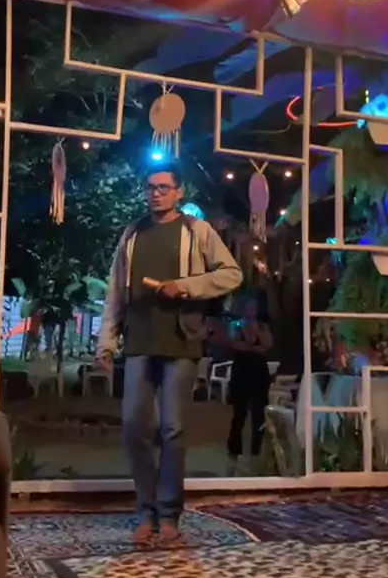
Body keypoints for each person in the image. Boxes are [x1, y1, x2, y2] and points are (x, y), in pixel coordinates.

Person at [97, 161, 242, 542]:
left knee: (173, 429)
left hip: (181, 340)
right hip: (139, 342)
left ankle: (169, 514)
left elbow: (231, 274)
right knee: (134, 426)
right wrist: (106, 341)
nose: (156, 193)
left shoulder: (197, 230)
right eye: (151, 187)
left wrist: (186, 286)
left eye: (163, 187)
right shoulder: (133, 233)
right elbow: (116, 292)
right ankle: (145, 511)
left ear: (179, 192)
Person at [227, 299, 273, 473]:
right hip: (241, 370)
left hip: (259, 371)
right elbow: (234, 344)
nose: (252, 310)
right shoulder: (236, 325)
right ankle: (234, 449)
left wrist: (256, 336)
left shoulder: (263, 326)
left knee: (259, 412)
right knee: (239, 412)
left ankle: (256, 450)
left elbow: (267, 345)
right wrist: (252, 345)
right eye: (249, 307)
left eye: (254, 307)